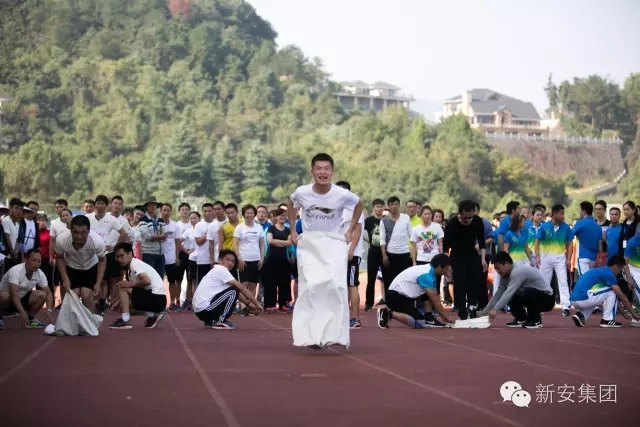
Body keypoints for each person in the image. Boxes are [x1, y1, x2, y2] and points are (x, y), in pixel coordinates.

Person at [287, 153, 364, 349]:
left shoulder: (341, 194)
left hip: (333, 243)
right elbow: (291, 203)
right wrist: (293, 229)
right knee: (311, 287)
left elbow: (359, 204)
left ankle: (334, 334)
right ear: (312, 171)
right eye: (319, 168)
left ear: (332, 171)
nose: (323, 172)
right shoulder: (302, 192)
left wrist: (350, 229)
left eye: (326, 168)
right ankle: (309, 335)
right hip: (310, 244)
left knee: (335, 286)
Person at [377, 254, 455, 329]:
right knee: (420, 323)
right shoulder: (426, 275)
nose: (447, 271)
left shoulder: (429, 269)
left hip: (401, 295)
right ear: (439, 266)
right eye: (446, 268)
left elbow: (433, 295)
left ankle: (429, 317)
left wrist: (449, 276)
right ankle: (387, 314)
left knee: (429, 292)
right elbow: (436, 300)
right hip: (396, 297)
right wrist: (445, 316)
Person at [479, 252, 554, 328]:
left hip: (547, 299)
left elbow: (509, 293)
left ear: (506, 264)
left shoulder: (517, 271)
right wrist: (484, 312)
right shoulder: (504, 276)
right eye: (496, 269)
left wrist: (495, 309)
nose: (498, 271)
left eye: (499, 268)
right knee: (514, 295)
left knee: (524, 292)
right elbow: (498, 294)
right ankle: (522, 319)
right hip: (532, 297)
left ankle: (536, 320)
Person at [192, 250, 263, 329]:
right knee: (233, 291)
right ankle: (221, 321)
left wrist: (248, 304)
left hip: (200, 312)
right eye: (227, 260)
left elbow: (237, 293)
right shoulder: (221, 270)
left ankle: (211, 320)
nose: (230, 263)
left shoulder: (217, 270)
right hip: (205, 309)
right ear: (219, 260)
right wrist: (257, 304)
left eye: (233, 261)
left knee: (233, 290)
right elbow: (242, 288)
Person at [443, 200, 488, 320]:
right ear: (460, 214)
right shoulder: (452, 223)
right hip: (457, 255)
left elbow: (482, 241)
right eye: (465, 218)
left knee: (474, 278)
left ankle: (472, 306)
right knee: (460, 280)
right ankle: (461, 308)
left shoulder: (477, 221)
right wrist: (447, 263)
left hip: (472, 253)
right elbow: (446, 245)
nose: (468, 220)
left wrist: (483, 259)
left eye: (470, 217)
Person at [55, 215, 107, 313]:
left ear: (89, 231)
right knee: (73, 294)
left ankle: (90, 319)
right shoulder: (62, 240)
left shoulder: (97, 241)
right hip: (71, 267)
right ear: (70, 231)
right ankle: (73, 320)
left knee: (86, 295)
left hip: (90, 267)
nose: (79, 237)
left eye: (83, 233)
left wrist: (98, 283)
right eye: (75, 232)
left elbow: (102, 260)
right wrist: (65, 278)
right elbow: (59, 257)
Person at [108, 242, 166, 329]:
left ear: (130, 254)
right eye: (117, 257)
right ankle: (152, 315)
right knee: (122, 308)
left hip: (156, 299)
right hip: (158, 300)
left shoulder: (135, 264)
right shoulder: (131, 268)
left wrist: (129, 284)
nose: (119, 259)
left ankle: (125, 320)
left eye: (121, 256)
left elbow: (147, 281)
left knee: (122, 287)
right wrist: (119, 302)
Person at [570, 256, 640, 328]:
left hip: (575, 300)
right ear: (616, 266)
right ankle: (607, 320)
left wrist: (624, 313)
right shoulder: (609, 274)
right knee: (613, 291)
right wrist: (633, 313)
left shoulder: (602, 270)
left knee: (600, 296)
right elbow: (621, 296)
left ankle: (581, 315)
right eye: (620, 269)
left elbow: (612, 300)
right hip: (583, 299)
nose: (619, 272)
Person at [87, 195, 127, 314]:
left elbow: (123, 233)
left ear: (106, 205)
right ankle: (92, 302)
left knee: (104, 280)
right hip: (90, 254)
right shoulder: (87, 217)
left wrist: (115, 247)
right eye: (98, 203)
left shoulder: (111, 219)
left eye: (102, 203)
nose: (100, 205)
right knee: (92, 279)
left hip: (105, 254)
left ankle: (102, 303)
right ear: (95, 205)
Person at [535, 204, 573, 316]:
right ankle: (541, 305)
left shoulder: (566, 227)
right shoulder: (544, 226)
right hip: (545, 258)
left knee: (563, 281)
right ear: (555, 214)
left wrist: (569, 259)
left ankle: (565, 306)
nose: (563, 216)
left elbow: (570, 243)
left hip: (560, 258)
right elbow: (537, 242)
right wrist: (537, 256)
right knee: (543, 282)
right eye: (561, 213)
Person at [0, 250, 54, 329]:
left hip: (22, 297)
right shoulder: (15, 271)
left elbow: (48, 293)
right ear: (26, 260)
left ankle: (31, 320)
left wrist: (49, 310)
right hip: (8, 299)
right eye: (34, 260)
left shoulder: (40, 273)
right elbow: (13, 293)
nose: (37, 264)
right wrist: (22, 312)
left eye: (39, 261)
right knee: (4, 296)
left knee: (42, 295)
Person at [336, 180, 365, 329]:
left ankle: (355, 319)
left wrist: (351, 249)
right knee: (341, 285)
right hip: (338, 252)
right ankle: (344, 317)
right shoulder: (336, 208)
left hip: (351, 253)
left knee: (352, 284)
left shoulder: (354, 208)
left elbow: (357, 230)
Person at [379, 196, 413, 300]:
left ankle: (405, 302)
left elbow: (412, 236)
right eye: (392, 204)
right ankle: (390, 303)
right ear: (388, 206)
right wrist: (384, 255)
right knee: (389, 280)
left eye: (396, 204)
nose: (394, 206)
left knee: (405, 280)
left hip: (405, 254)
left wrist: (413, 253)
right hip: (390, 254)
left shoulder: (406, 218)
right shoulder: (384, 221)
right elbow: (382, 239)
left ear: (399, 205)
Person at [232, 204, 265, 309]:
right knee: (243, 284)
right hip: (243, 260)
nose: (249, 215)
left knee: (253, 284)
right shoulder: (239, 227)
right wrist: (239, 258)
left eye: (251, 213)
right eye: (247, 213)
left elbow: (261, 245)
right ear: (244, 214)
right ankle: (243, 307)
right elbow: (234, 245)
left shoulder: (259, 227)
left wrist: (262, 259)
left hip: (256, 259)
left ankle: (251, 306)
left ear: (254, 214)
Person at [262, 208, 292, 313]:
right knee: (270, 282)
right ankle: (270, 304)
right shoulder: (271, 228)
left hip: (283, 259)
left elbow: (289, 243)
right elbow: (270, 241)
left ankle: (283, 304)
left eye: (284, 215)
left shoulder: (288, 230)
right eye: (280, 215)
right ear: (276, 216)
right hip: (271, 258)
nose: (282, 217)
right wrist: (283, 242)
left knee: (284, 283)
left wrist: (277, 242)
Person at [572, 201, 603, 276]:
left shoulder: (580, 223)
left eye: (580, 210)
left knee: (585, 280)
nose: (580, 212)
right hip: (593, 258)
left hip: (582, 256)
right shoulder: (597, 226)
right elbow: (600, 245)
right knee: (590, 279)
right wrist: (600, 258)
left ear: (583, 211)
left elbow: (569, 235)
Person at [363, 199, 385, 310]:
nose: (379, 209)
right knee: (371, 278)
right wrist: (369, 240)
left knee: (387, 278)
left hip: (385, 252)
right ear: (373, 208)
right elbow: (359, 231)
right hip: (373, 252)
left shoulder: (387, 220)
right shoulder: (368, 221)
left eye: (381, 207)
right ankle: (369, 303)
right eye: (377, 207)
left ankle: (389, 302)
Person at [160, 203, 181, 311]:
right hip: (159, 257)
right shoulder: (157, 224)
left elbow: (177, 242)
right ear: (161, 211)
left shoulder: (175, 225)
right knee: (158, 282)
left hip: (171, 258)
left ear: (171, 212)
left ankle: (172, 302)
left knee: (172, 281)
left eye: (168, 210)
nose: (166, 212)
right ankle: (160, 303)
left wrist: (177, 257)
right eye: (164, 210)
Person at [138, 199, 166, 277]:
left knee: (160, 277)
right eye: (150, 205)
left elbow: (165, 235)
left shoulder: (160, 220)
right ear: (146, 207)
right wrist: (160, 237)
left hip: (160, 253)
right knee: (150, 278)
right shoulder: (143, 219)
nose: (152, 207)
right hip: (148, 253)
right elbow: (147, 236)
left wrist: (155, 237)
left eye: (154, 205)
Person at [2, 198, 25, 271]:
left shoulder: (17, 224)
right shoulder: (6, 220)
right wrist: (12, 253)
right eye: (16, 208)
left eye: (21, 209)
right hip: (6, 256)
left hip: (14, 256)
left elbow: (18, 241)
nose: (18, 211)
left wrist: (19, 256)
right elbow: (7, 237)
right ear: (10, 208)